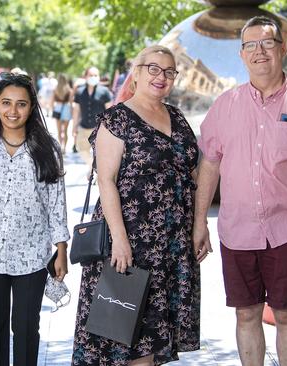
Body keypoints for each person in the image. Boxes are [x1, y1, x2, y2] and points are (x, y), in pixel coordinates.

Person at [193, 16, 287, 366]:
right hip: (236, 231)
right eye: (251, 45)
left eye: (266, 43)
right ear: (242, 54)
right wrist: (199, 221)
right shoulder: (225, 105)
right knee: (246, 315)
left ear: (282, 49)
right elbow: (210, 165)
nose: (259, 51)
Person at [72, 45, 200, 366]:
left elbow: (192, 175)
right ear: (137, 71)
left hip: (171, 247)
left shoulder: (178, 118)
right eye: (153, 69)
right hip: (130, 246)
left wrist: (201, 225)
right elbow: (106, 181)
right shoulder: (116, 118)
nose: (161, 77)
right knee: (126, 341)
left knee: (152, 345)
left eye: (169, 71)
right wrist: (120, 240)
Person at [0, 73, 69, 366]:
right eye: (6, 103)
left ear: (32, 107)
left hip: (32, 256)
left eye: (21, 104)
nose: (13, 111)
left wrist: (62, 252)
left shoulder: (47, 149)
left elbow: (57, 205)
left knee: (26, 327)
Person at [72, 67, 112, 172]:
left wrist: (110, 127)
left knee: (100, 153)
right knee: (81, 150)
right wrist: (74, 127)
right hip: (83, 127)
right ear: (85, 76)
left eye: (96, 75)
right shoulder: (79, 92)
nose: (93, 77)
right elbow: (76, 110)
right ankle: (92, 166)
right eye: (91, 75)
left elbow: (110, 111)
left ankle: (95, 171)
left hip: (100, 129)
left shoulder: (104, 91)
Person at [51, 73, 73, 154]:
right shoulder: (69, 90)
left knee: (59, 131)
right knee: (66, 131)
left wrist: (53, 109)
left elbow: (52, 102)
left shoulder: (55, 89)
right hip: (66, 108)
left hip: (58, 108)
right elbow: (71, 103)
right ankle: (65, 148)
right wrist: (72, 111)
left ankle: (60, 146)